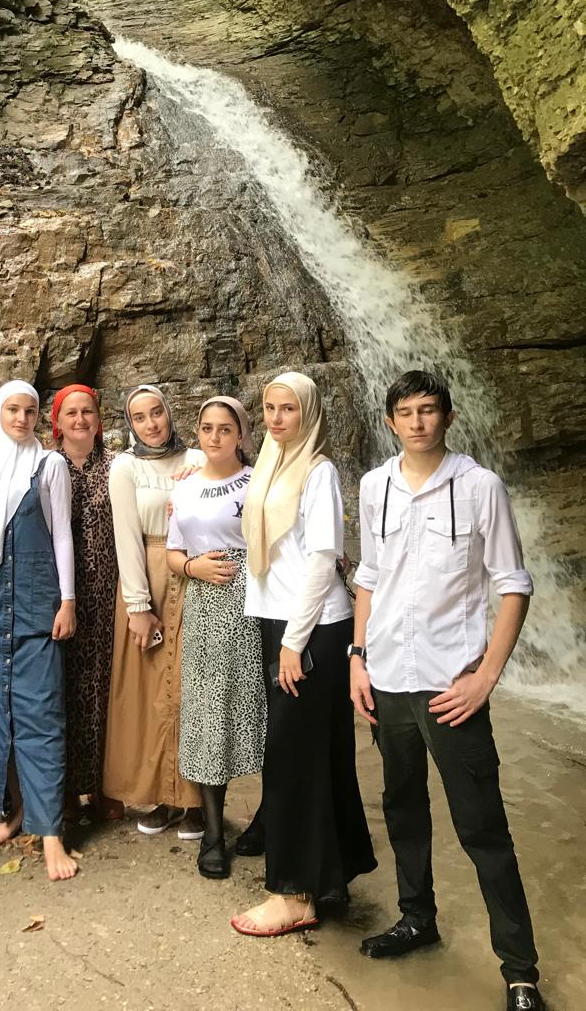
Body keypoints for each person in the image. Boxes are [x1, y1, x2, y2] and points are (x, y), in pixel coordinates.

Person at [350, 370, 543, 1011]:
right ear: (390, 421)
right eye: (405, 412)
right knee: (403, 810)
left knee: (483, 828)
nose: (417, 422)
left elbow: (512, 583)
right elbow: (369, 576)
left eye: (428, 410)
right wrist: (357, 658)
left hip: (451, 686)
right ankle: (417, 919)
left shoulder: (481, 486)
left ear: (448, 417)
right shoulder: (373, 486)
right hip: (386, 679)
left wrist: (486, 676)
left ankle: (520, 972)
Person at [231, 371, 375, 938]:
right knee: (313, 754)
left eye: (288, 408)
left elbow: (321, 559)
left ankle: (293, 893)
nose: (276, 418)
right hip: (280, 621)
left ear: (308, 413)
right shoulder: (269, 464)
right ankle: (329, 880)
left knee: (291, 757)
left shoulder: (318, 471)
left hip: (312, 629)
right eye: (269, 407)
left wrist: (293, 642)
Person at [0, 381, 78, 882]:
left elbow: (62, 534)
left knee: (41, 717)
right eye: (13, 409)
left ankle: (51, 834)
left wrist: (67, 601)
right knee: (1, 715)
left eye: (30, 411)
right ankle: (15, 812)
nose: (22, 419)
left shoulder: (49, 466)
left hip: (35, 605)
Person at [166, 397, 266, 878]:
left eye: (225, 429)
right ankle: (212, 834)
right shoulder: (184, 486)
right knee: (208, 713)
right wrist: (192, 567)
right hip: (205, 605)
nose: (215, 437)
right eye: (207, 428)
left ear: (241, 434)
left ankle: (269, 819)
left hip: (255, 601)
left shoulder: (258, 480)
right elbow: (172, 551)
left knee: (260, 706)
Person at [102, 385, 204, 838]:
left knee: (193, 689)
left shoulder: (197, 459)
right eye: (140, 417)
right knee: (151, 692)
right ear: (131, 423)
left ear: (169, 413)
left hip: (196, 576)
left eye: (157, 412)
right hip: (147, 577)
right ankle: (162, 797)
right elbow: (126, 535)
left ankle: (197, 800)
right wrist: (138, 605)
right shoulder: (125, 467)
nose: (151, 423)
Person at [50, 384, 122, 821]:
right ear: (57, 422)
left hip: (109, 593)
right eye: (71, 413)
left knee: (105, 690)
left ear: (99, 419)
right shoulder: (44, 467)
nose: (80, 419)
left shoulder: (118, 466)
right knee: (62, 690)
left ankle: (102, 785)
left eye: (88, 412)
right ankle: (63, 791)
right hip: (59, 596)